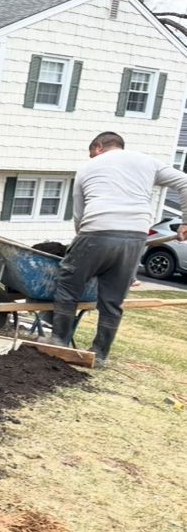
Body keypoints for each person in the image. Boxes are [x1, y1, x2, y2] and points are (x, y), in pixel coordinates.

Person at [49, 132, 187, 364]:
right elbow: (184, 181)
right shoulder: (148, 162)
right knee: (112, 300)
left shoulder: (86, 167)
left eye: (91, 151)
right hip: (135, 236)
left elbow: (79, 214)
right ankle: (99, 355)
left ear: (99, 146)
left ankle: (57, 343)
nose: (91, 156)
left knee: (68, 287)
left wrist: (81, 243)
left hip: (96, 230)